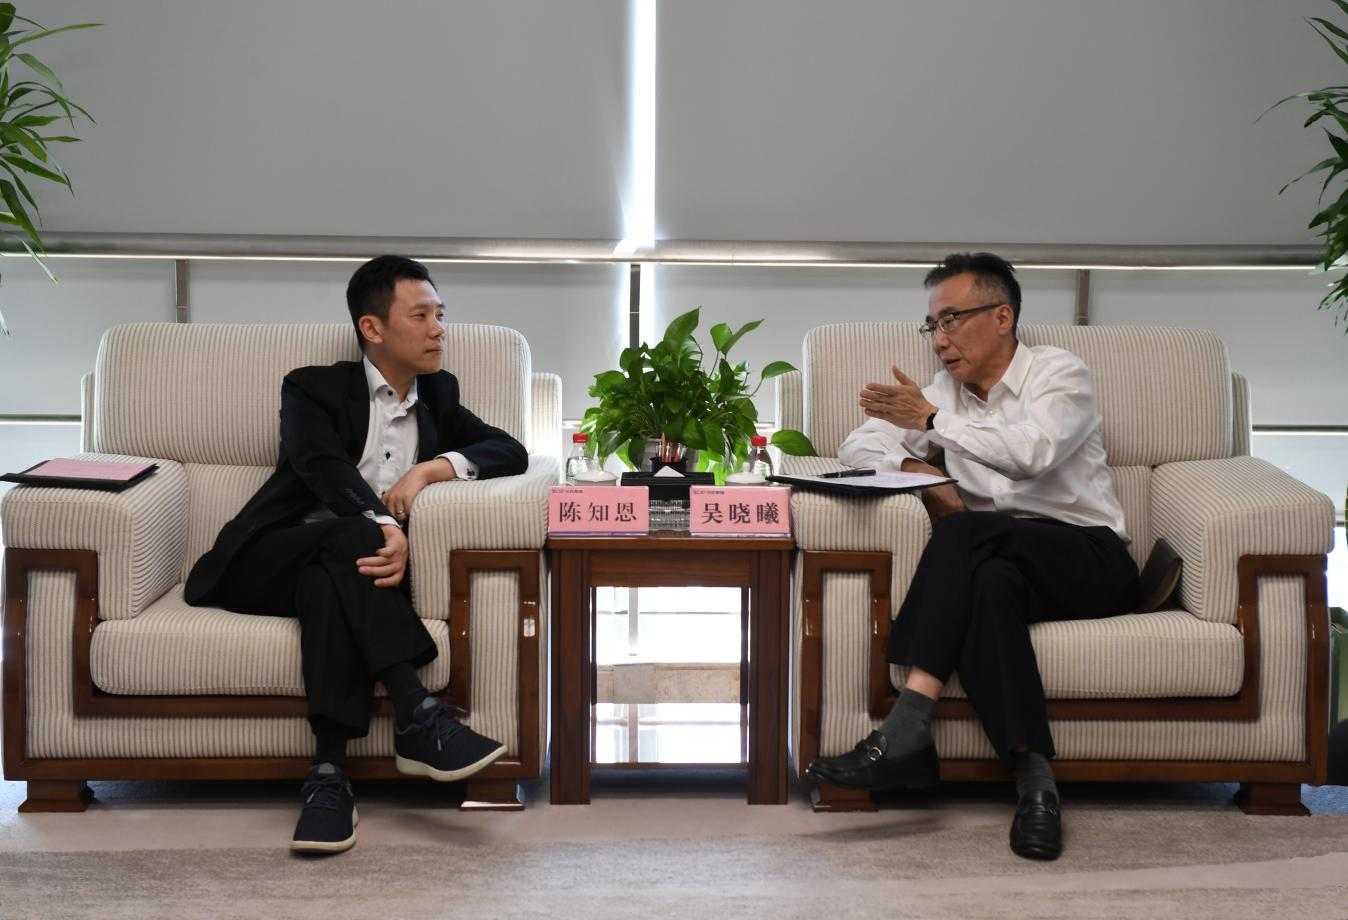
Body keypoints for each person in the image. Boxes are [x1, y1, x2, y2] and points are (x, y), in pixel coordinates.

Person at [185, 255, 529, 854]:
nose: (439, 329)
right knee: (353, 540)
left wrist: (429, 470)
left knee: (332, 581)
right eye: (420, 316)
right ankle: (418, 714)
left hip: (346, 574)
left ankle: (328, 777)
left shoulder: (439, 394)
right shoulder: (311, 388)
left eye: (440, 315)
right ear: (372, 328)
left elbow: (510, 450)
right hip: (266, 560)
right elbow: (320, 465)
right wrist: (381, 523)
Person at [805, 252, 1138, 861]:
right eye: (932, 325)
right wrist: (918, 469)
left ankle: (906, 727)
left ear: (1003, 317)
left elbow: (1031, 454)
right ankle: (1036, 789)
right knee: (988, 585)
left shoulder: (1060, 375)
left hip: (1088, 556)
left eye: (952, 320)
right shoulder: (942, 394)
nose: (939, 340)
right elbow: (859, 442)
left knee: (964, 533)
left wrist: (933, 422)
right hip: (997, 560)